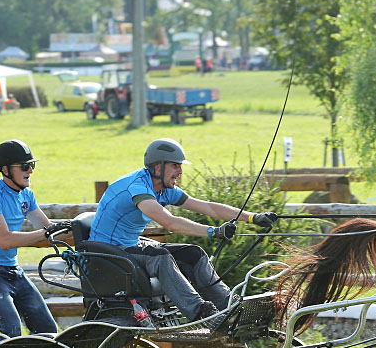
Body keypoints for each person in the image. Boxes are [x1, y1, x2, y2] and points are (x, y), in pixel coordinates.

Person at [88, 138, 278, 322]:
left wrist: (253, 217)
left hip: (128, 245)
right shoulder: (138, 187)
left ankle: (230, 307)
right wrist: (213, 231)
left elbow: (209, 207)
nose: (180, 171)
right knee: (160, 257)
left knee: (193, 254)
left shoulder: (164, 188)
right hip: (108, 251)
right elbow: (170, 223)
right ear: (158, 167)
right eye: (175, 165)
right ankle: (199, 312)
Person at [0, 140, 63, 339]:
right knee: (11, 332)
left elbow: (49, 229)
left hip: (13, 270)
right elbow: (5, 240)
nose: (30, 170)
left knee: (47, 330)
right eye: (24, 166)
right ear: (5, 170)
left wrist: (82, 229)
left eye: (32, 165)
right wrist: (46, 233)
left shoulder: (26, 195)